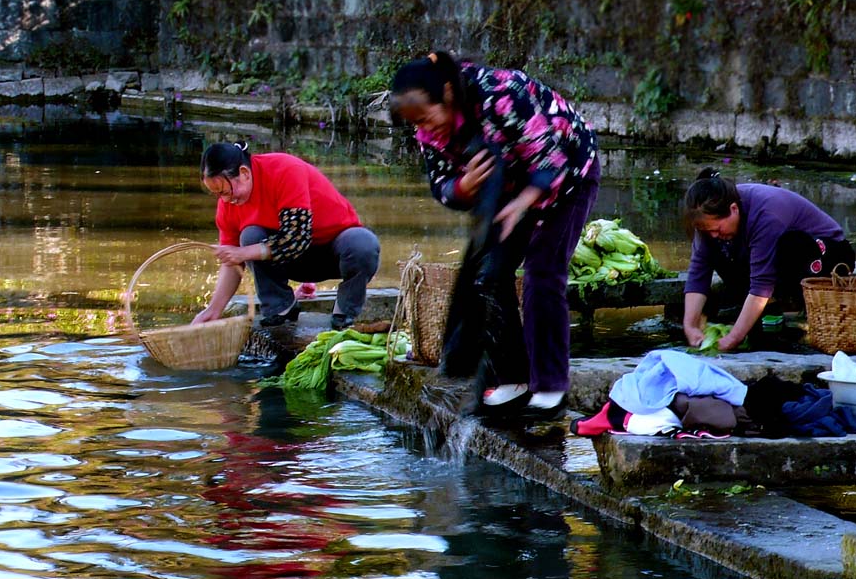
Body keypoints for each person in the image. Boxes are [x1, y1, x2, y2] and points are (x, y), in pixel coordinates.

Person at [389, 51, 600, 421]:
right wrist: (464, 186)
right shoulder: (430, 131)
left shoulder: (501, 93)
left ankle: (550, 387)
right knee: (489, 276)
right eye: (415, 124)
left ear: (448, 94)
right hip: (505, 190)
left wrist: (523, 206)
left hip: (566, 176)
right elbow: (442, 186)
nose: (423, 129)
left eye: (425, 118)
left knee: (542, 272)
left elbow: (549, 158)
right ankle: (513, 380)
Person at [192, 142, 380, 331]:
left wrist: (244, 253)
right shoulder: (227, 206)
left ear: (244, 173)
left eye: (225, 191)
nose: (225, 200)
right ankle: (280, 308)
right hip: (289, 261)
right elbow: (232, 261)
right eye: (217, 195)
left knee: (363, 243)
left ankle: (344, 313)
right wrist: (214, 310)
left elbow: (297, 238)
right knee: (250, 235)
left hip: (334, 252)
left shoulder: (285, 170)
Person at [682, 167, 856, 351]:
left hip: (826, 253)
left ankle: (788, 309)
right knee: (719, 249)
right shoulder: (708, 221)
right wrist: (690, 325)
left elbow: (761, 284)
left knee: (789, 246)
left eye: (717, 229)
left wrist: (734, 337)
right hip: (773, 254)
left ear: (733, 209)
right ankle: (766, 313)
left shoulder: (765, 213)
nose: (714, 234)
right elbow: (698, 272)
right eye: (708, 231)